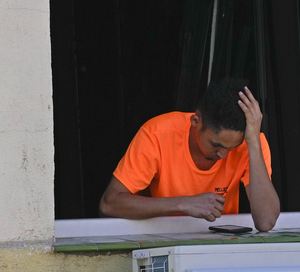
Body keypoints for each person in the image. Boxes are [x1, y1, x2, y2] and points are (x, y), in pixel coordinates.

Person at [99, 78, 281, 231]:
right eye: (216, 145)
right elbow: (109, 204)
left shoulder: (252, 142)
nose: (223, 155)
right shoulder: (157, 134)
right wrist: (182, 204)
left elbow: (265, 221)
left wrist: (253, 143)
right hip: (161, 241)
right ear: (196, 121)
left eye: (232, 147)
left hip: (221, 244)